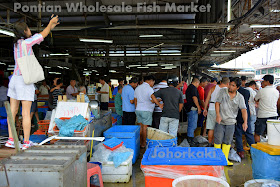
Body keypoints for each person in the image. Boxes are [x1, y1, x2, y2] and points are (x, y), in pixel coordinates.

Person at [5, 15, 60, 150]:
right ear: (25, 32)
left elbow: (45, 33)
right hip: (24, 80)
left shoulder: (16, 44)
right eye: (28, 29)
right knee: (26, 113)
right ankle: (26, 141)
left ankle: (11, 140)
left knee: (12, 111)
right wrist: (49, 24)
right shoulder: (26, 42)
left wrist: (51, 25)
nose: (30, 30)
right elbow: (42, 34)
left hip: (14, 79)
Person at [214, 77, 247, 166]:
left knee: (227, 141)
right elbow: (217, 103)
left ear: (237, 88)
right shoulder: (222, 91)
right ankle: (217, 160)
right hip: (220, 121)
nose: (230, 87)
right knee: (218, 140)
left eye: (233, 86)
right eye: (230, 84)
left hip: (231, 122)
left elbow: (244, 110)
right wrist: (218, 115)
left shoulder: (240, 97)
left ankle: (224, 160)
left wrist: (245, 122)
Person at [204, 77, 229, 146]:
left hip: (211, 108)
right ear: (227, 83)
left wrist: (205, 109)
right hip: (221, 111)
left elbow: (207, 99)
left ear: (221, 82)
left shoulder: (213, 88)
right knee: (218, 129)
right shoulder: (226, 90)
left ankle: (209, 143)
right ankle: (216, 144)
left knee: (211, 128)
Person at [254, 75, 279, 143]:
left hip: (263, 115)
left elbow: (255, 99)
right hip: (273, 115)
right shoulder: (276, 91)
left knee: (257, 134)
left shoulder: (262, 91)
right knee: (272, 135)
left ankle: (258, 148)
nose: (262, 82)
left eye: (263, 81)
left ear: (267, 82)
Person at [134, 75, 156, 148]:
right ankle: (144, 144)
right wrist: (158, 102)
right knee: (145, 128)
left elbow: (135, 100)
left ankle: (140, 143)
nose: (153, 84)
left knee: (140, 127)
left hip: (138, 109)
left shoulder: (137, 88)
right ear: (150, 81)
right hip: (146, 110)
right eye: (153, 82)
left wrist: (136, 108)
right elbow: (152, 100)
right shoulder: (149, 89)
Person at [235, 82, 255, 159]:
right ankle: (253, 150)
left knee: (238, 134)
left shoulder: (236, 92)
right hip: (246, 114)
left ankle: (240, 152)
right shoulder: (247, 92)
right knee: (249, 133)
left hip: (237, 115)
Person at [185, 76, 201, 147]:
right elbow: (194, 98)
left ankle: (190, 139)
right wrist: (198, 107)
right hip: (192, 109)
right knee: (192, 125)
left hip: (189, 108)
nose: (198, 85)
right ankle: (190, 140)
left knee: (191, 125)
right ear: (196, 82)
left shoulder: (189, 87)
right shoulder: (193, 88)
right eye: (198, 84)